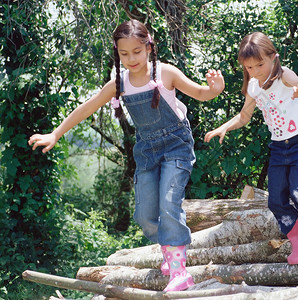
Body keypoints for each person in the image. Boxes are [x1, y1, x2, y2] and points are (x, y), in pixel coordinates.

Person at [28, 19, 224, 291]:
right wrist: (56, 133)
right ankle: (170, 249)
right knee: (145, 216)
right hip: (146, 151)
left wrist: (215, 89)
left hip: (176, 146)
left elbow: (201, 93)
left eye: (137, 51)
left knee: (169, 204)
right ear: (117, 53)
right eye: (124, 53)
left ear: (149, 46)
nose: (131, 58)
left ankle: (180, 271)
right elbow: (87, 107)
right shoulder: (119, 83)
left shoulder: (165, 73)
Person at [204, 32, 298, 265]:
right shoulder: (253, 86)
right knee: (275, 202)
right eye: (249, 67)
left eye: (260, 64)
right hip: (279, 149)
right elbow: (244, 117)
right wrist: (223, 127)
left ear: (274, 57)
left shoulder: (283, 76)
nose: (256, 71)